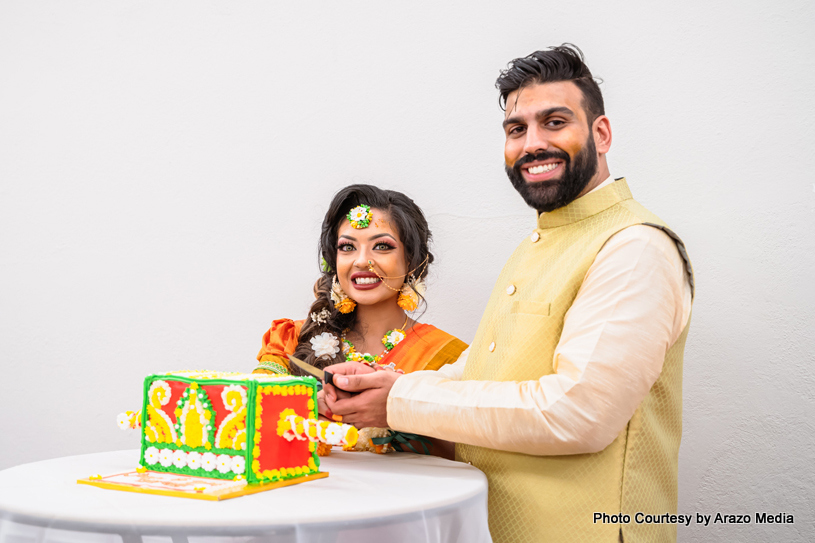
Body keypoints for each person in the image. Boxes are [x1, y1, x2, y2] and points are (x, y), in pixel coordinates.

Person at [324, 45, 694, 543]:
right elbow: (490, 371)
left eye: (555, 122)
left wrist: (401, 399)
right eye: (517, 129)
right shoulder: (537, 245)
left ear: (601, 134)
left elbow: (577, 414)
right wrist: (386, 382)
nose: (532, 143)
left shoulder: (633, 248)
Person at [252, 184, 467, 457]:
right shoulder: (291, 339)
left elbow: (465, 453)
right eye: (347, 247)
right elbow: (248, 415)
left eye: (381, 246)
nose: (362, 261)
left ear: (413, 260)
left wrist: (398, 413)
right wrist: (305, 405)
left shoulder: (448, 358)